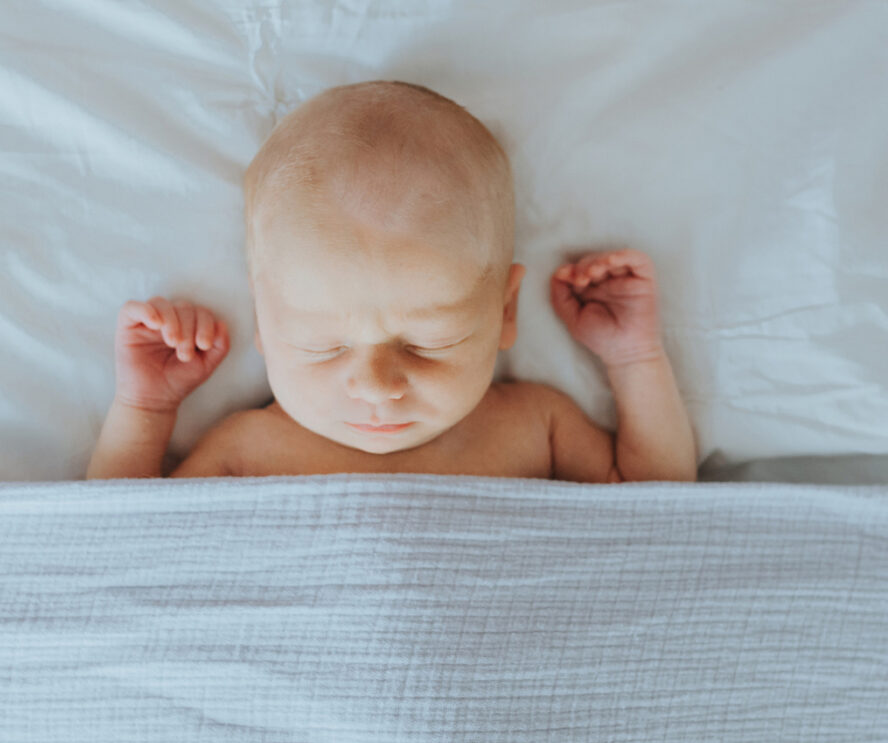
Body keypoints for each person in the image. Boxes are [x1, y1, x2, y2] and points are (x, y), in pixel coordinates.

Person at [86, 80, 697, 482]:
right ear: (265, 320)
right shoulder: (248, 448)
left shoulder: (535, 425)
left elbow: (658, 517)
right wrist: (145, 409)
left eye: (428, 343)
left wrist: (634, 359)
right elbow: (127, 542)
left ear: (504, 311)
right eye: (324, 346)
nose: (377, 388)